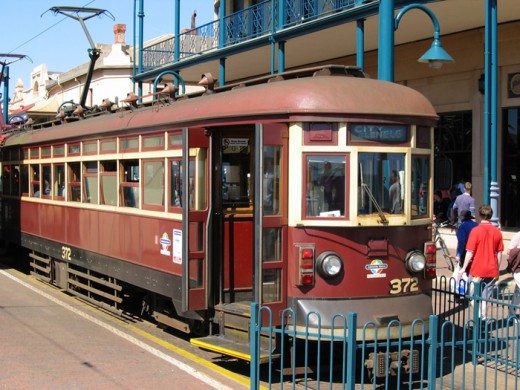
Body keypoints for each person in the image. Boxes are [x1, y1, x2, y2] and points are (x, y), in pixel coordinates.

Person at [458, 204, 504, 321]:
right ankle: (483, 316)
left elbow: (470, 252)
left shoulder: (476, 231)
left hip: (477, 270)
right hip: (492, 270)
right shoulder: (497, 232)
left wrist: (463, 268)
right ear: (490, 215)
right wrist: (497, 268)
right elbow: (499, 253)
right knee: (485, 297)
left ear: (479, 215)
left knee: (472, 295)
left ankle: (479, 316)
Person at [506, 230, 520, 319]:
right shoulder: (518, 235)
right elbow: (508, 251)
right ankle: (511, 314)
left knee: (517, 292)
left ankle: (511, 313)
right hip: (519, 269)